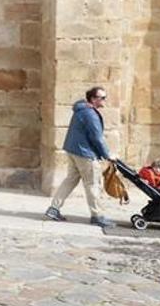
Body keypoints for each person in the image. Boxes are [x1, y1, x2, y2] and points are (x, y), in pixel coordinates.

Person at [46, 87, 115, 228]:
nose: (104, 100)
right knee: (93, 184)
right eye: (102, 97)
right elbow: (97, 138)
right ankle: (97, 215)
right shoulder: (90, 114)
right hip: (85, 154)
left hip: (73, 150)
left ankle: (54, 208)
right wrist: (107, 155)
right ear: (93, 99)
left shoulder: (81, 110)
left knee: (70, 180)